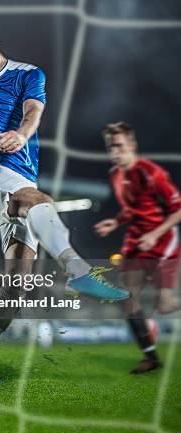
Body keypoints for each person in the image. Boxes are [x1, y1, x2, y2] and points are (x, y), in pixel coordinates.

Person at [0, 24, 129, 385]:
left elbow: (33, 110)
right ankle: (78, 273)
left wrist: (22, 134)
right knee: (38, 201)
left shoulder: (29, 74)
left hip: (19, 177)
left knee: (17, 286)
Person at [94, 121, 181, 374]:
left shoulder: (151, 172)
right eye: (111, 147)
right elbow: (133, 208)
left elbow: (177, 210)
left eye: (119, 146)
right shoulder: (115, 175)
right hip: (135, 239)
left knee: (164, 305)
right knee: (126, 298)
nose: (115, 152)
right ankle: (151, 357)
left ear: (132, 145)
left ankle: (155, 326)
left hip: (162, 239)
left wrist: (154, 234)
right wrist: (115, 222)